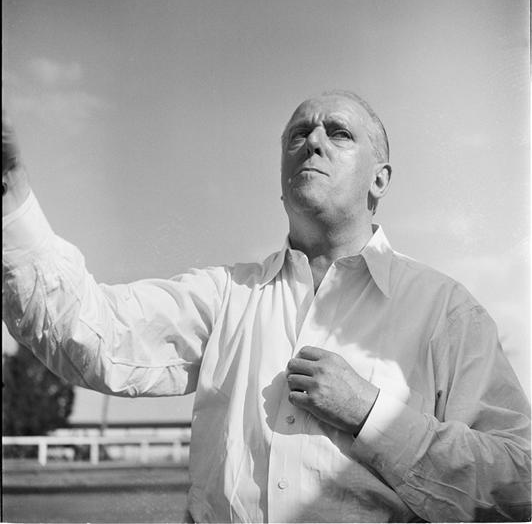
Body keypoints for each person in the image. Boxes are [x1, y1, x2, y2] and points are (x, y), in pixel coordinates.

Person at [2, 91, 530, 523]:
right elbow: (86, 330)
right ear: (282, 182)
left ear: (379, 179)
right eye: (298, 134)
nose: (312, 142)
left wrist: (373, 415)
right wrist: (9, 183)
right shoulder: (226, 295)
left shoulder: (445, 311)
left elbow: (518, 482)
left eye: (338, 133)